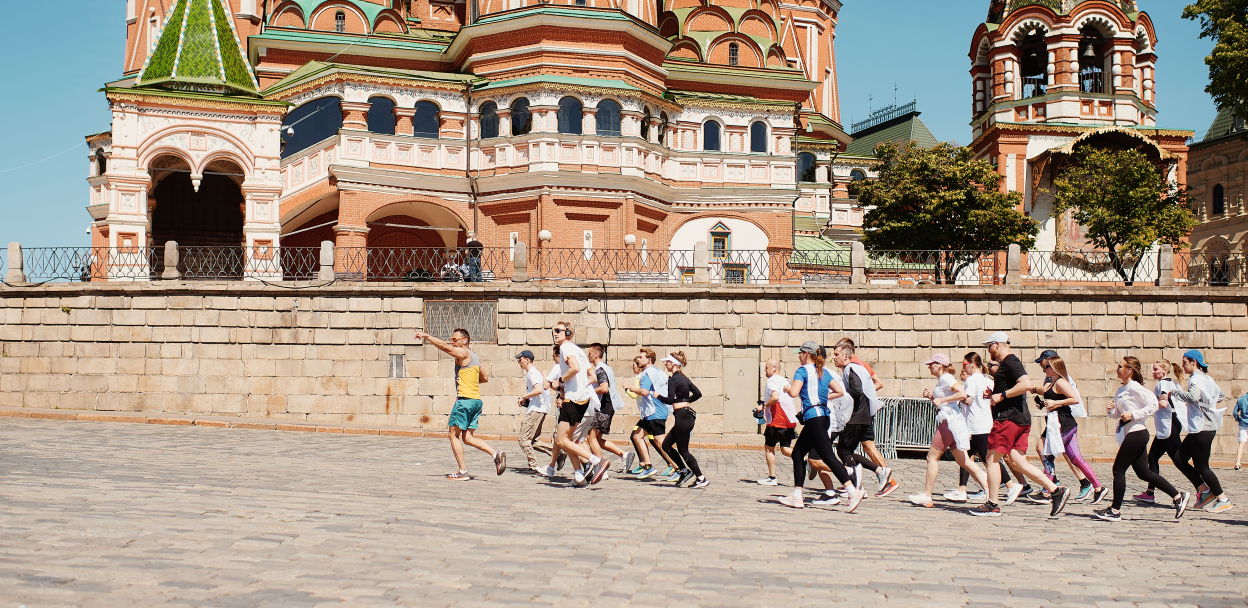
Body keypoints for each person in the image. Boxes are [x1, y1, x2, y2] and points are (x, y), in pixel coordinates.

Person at [969, 332, 1069, 517]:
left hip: (1009, 419)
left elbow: (1025, 384)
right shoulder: (1009, 363)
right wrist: (994, 396)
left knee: (991, 459)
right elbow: (1014, 387)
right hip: (1020, 418)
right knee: (1017, 462)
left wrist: (1002, 396)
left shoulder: (1009, 361)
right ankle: (1056, 490)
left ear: (997, 345)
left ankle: (992, 504)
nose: (988, 351)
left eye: (988, 346)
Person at [1093, 356, 1190, 522]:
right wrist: (1111, 411)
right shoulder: (1121, 390)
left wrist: (1134, 414)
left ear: (1129, 370)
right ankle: (1177, 496)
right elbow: (1118, 415)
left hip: (1137, 433)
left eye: (1120, 366)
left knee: (1118, 470)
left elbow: (1153, 403)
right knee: (1143, 473)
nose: (1117, 369)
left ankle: (1115, 510)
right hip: (1130, 433)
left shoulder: (1135, 387)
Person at [777, 342, 865, 511]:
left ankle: (852, 491)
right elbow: (839, 391)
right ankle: (796, 494)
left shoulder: (802, 371)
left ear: (805, 354)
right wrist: (823, 399)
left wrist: (787, 388)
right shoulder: (823, 372)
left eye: (800, 353)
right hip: (822, 417)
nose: (799, 356)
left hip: (814, 418)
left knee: (827, 456)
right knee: (798, 453)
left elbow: (794, 392)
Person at [413, 328, 506, 480]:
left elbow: (445, 347)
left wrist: (427, 336)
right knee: (468, 438)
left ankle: (462, 471)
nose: (452, 342)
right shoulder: (475, 357)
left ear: (465, 341)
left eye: (455, 339)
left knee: (453, 435)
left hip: (465, 401)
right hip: (476, 401)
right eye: (452, 339)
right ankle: (495, 455)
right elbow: (485, 378)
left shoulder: (463, 353)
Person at [909, 353, 988, 507]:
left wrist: (942, 399)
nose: (929, 366)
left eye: (931, 364)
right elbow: (946, 400)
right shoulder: (942, 380)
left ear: (939, 365)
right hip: (953, 423)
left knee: (932, 457)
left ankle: (927, 495)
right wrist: (932, 397)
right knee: (964, 461)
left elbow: (962, 393)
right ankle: (989, 490)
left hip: (949, 422)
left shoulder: (946, 378)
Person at [1029, 353, 1106, 504]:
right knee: (1071, 458)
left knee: (1051, 454)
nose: (1043, 369)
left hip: (1062, 424)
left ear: (1052, 366)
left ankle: (1049, 491)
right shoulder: (1051, 381)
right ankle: (1097, 487)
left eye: (1045, 366)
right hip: (1056, 423)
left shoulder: (1061, 382)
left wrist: (1056, 404)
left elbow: (1074, 398)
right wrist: (1034, 391)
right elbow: (1046, 392)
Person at [1170, 349, 1233, 513]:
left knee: (1201, 466)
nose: (1183, 366)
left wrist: (1176, 393)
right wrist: (1205, 402)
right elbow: (1220, 395)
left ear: (1194, 362)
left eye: (1185, 362)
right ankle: (1205, 491)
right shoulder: (1208, 379)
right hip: (1206, 427)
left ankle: (1222, 498)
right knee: (1181, 458)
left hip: (1202, 428)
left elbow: (1192, 397)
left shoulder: (1196, 379)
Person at [835, 337, 898, 497]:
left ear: (847, 354)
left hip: (857, 415)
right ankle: (865, 480)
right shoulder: (857, 367)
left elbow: (857, 390)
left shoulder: (852, 368)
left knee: (848, 450)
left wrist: (841, 396)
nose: (834, 357)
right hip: (863, 414)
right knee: (854, 450)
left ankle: (879, 477)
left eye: (837, 354)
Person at [549, 321, 610, 486]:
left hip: (573, 399)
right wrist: (577, 386)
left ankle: (596, 461)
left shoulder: (565, 348)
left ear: (568, 333)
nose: (555, 333)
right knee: (569, 440)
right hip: (583, 399)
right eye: (554, 330)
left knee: (561, 440)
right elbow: (593, 377)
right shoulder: (579, 350)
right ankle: (579, 475)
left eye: (558, 331)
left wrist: (560, 381)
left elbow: (574, 368)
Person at [1136, 359, 1186, 503]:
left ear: (1164, 371)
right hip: (1170, 424)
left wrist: (1148, 407)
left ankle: (1202, 488)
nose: (1153, 372)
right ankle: (1150, 493)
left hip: (1168, 426)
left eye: (1156, 369)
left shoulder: (1163, 384)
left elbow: (1163, 402)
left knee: (1176, 460)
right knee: (1157, 458)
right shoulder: (1171, 382)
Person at [656, 352, 708, 488]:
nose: (665, 364)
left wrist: (657, 395)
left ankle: (701, 478)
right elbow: (698, 394)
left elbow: (669, 399)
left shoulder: (674, 379)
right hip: (686, 415)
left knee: (683, 450)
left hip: (683, 417)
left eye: (667, 362)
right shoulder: (684, 378)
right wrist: (685, 401)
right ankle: (684, 471)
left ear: (673, 364)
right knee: (666, 445)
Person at [951, 352, 997, 502]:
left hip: (974, 424)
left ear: (972, 364)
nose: (963, 368)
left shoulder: (972, 380)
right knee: (967, 456)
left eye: (964, 365)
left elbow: (968, 400)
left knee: (987, 459)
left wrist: (953, 398)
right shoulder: (988, 379)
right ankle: (962, 489)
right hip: (984, 421)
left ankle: (1010, 485)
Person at [629, 348, 678, 479]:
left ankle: (679, 468)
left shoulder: (647, 373)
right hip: (652, 412)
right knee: (636, 435)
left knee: (662, 443)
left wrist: (632, 389)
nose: (638, 359)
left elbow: (644, 391)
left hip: (654, 411)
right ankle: (648, 466)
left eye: (641, 357)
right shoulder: (658, 371)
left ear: (649, 359)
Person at [586, 343, 630, 473]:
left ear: (596, 354)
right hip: (608, 407)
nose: (588, 355)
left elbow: (604, 388)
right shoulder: (606, 368)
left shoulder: (600, 369)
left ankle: (601, 467)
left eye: (589, 353)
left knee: (591, 436)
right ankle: (624, 455)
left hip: (604, 407)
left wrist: (589, 392)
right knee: (597, 439)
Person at [756, 359, 798, 485]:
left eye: (766, 367)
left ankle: (772, 478)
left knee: (769, 448)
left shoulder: (772, 381)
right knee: (785, 449)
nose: (765, 370)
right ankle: (803, 459)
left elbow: (775, 397)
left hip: (777, 420)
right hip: (789, 420)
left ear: (774, 368)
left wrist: (764, 406)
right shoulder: (784, 380)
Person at [515, 349, 553, 471]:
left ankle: (534, 465)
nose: (519, 362)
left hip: (536, 409)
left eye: (520, 360)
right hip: (539, 408)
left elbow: (539, 390)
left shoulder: (532, 373)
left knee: (523, 438)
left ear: (527, 360)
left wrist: (524, 396)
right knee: (534, 441)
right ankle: (557, 453)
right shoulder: (533, 373)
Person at [1235, 394, 1248, 471]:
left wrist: (1239, 419)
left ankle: (1238, 463)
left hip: (1243, 424)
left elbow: (1234, 412)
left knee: (1241, 444)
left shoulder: (1241, 399)